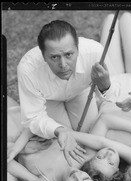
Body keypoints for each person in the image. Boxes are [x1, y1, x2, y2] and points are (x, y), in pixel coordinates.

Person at [17, 19, 116, 166]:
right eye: (54, 57)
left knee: (88, 135)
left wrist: (105, 86)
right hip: (49, 100)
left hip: (80, 92)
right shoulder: (28, 69)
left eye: (69, 54)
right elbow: (33, 116)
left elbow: (114, 95)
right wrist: (59, 130)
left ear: (78, 49)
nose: (63, 65)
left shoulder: (95, 52)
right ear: (43, 56)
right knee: (65, 142)